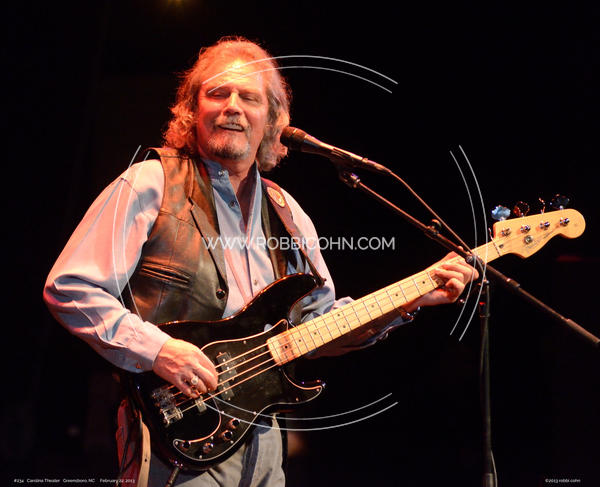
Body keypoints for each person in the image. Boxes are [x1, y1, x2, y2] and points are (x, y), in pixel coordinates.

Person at [43, 36, 478, 487]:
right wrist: (158, 351)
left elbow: (319, 326)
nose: (232, 106)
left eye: (248, 97)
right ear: (193, 111)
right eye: (217, 93)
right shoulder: (151, 182)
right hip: (173, 433)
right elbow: (71, 287)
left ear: (272, 121)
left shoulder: (287, 211)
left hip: (265, 441)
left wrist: (411, 298)